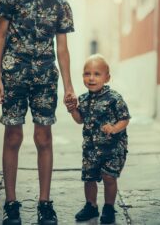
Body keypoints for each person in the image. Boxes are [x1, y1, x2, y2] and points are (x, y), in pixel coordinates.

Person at [0, 0, 76, 225]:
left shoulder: (61, 6)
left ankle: (45, 202)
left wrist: (69, 85)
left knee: (44, 138)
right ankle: (11, 203)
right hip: (13, 77)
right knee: (13, 136)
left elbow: (62, 49)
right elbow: (0, 36)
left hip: (44, 79)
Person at [65, 54, 130, 224]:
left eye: (97, 74)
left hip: (112, 148)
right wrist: (73, 109)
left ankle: (109, 207)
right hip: (91, 148)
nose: (91, 78)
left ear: (107, 77)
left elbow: (125, 119)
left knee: (109, 177)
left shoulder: (114, 98)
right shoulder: (84, 100)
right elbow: (80, 120)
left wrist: (115, 128)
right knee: (89, 177)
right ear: (83, 77)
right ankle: (91, 205)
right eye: (87, 74)